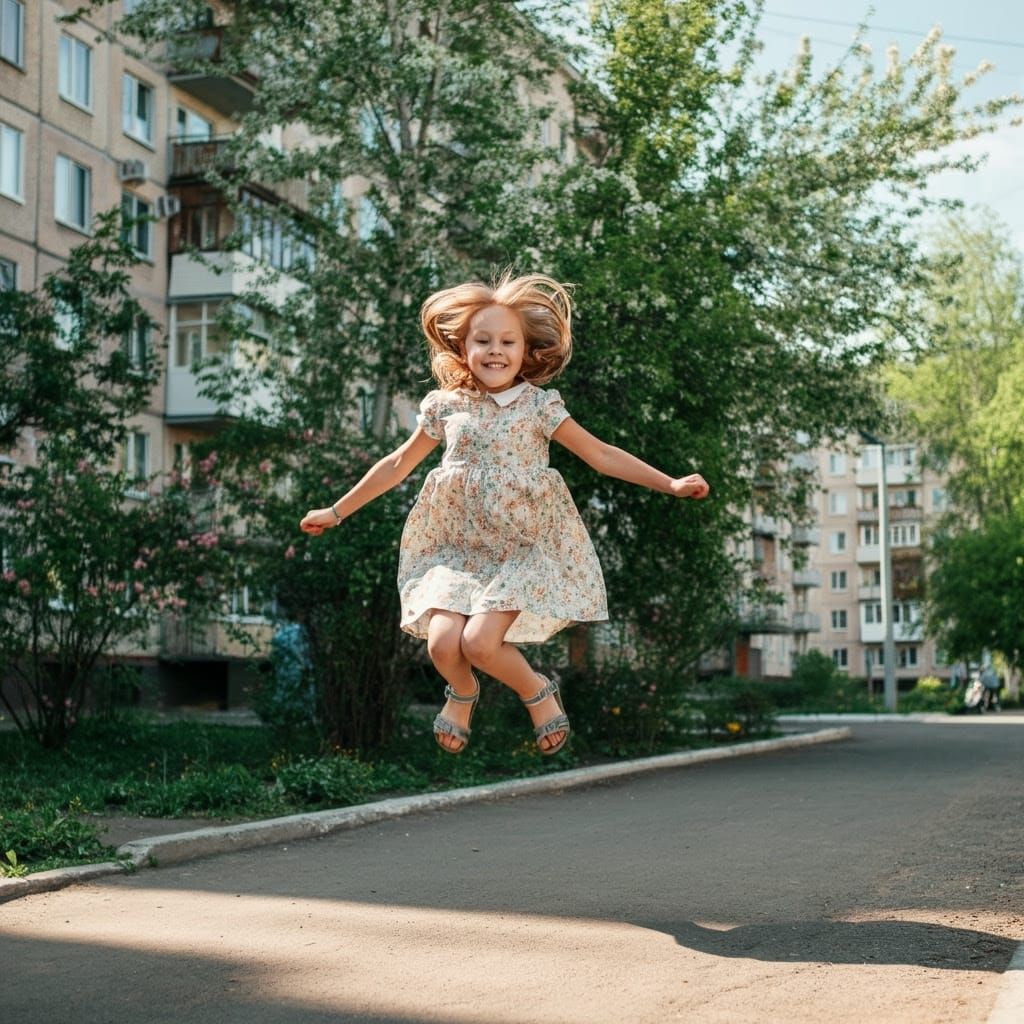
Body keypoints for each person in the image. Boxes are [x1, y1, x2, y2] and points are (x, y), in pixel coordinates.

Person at [299, 272, 710, 755]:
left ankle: (537, 693)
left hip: (520, 546)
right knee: (441, 644)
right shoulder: (446, 406)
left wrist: (670, 482)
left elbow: (601, 455)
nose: (495, 350)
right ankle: (464, 692)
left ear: (525, 351)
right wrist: (336, 510)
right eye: (483, 340)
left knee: (478, 644)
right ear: (463, 347)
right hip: (453, 547)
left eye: (507, 341)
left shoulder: (539, 407)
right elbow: (396, 465)